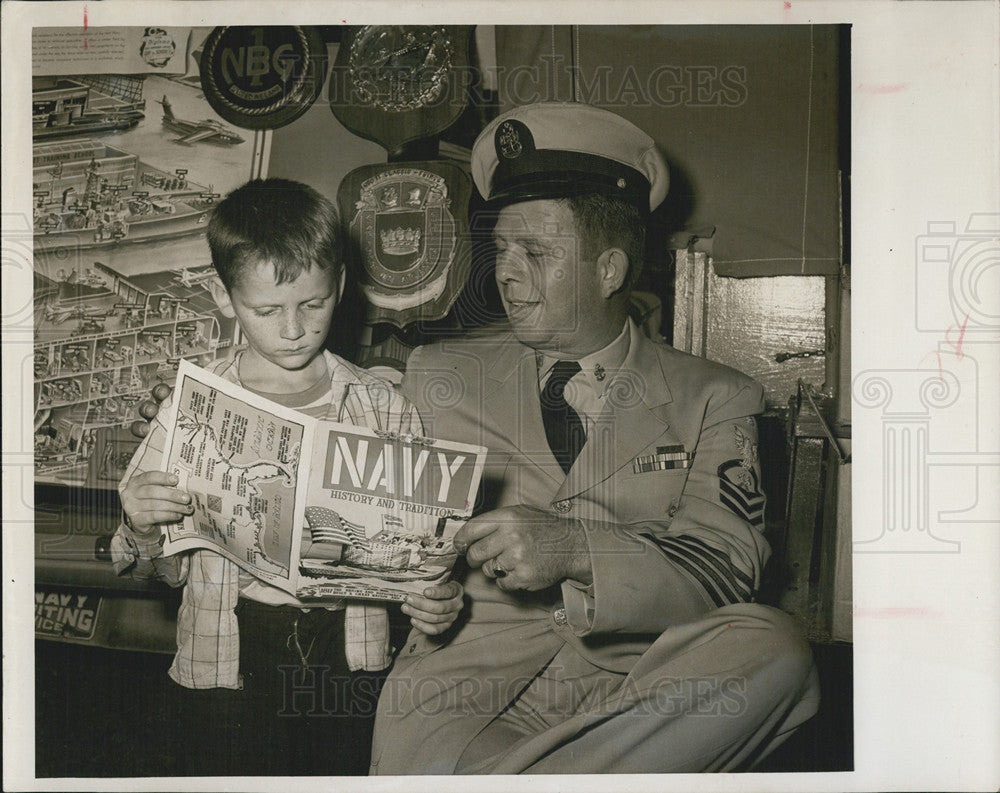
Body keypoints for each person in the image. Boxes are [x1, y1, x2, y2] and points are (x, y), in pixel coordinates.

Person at [368, 102, 820, 774]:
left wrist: (577, 549)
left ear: (609, 270)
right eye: (503, 249)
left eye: (537, 252)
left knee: (777, 649)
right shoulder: (437, 376)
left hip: (639, 705)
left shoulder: (716, 397)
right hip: (469, 706)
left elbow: (726, 570)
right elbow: (347, 511)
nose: (507, 272)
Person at [112, 178, 464, 775]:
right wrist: (141, 522)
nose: (294, 329)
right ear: (226, 299)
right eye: (266, 310)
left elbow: (424, 554)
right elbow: (147, 564)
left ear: (342, 287)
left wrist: (436, 599)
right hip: (230, 642)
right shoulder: (190, 404)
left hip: (348, 647)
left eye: (314, 303)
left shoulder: (384, 407)